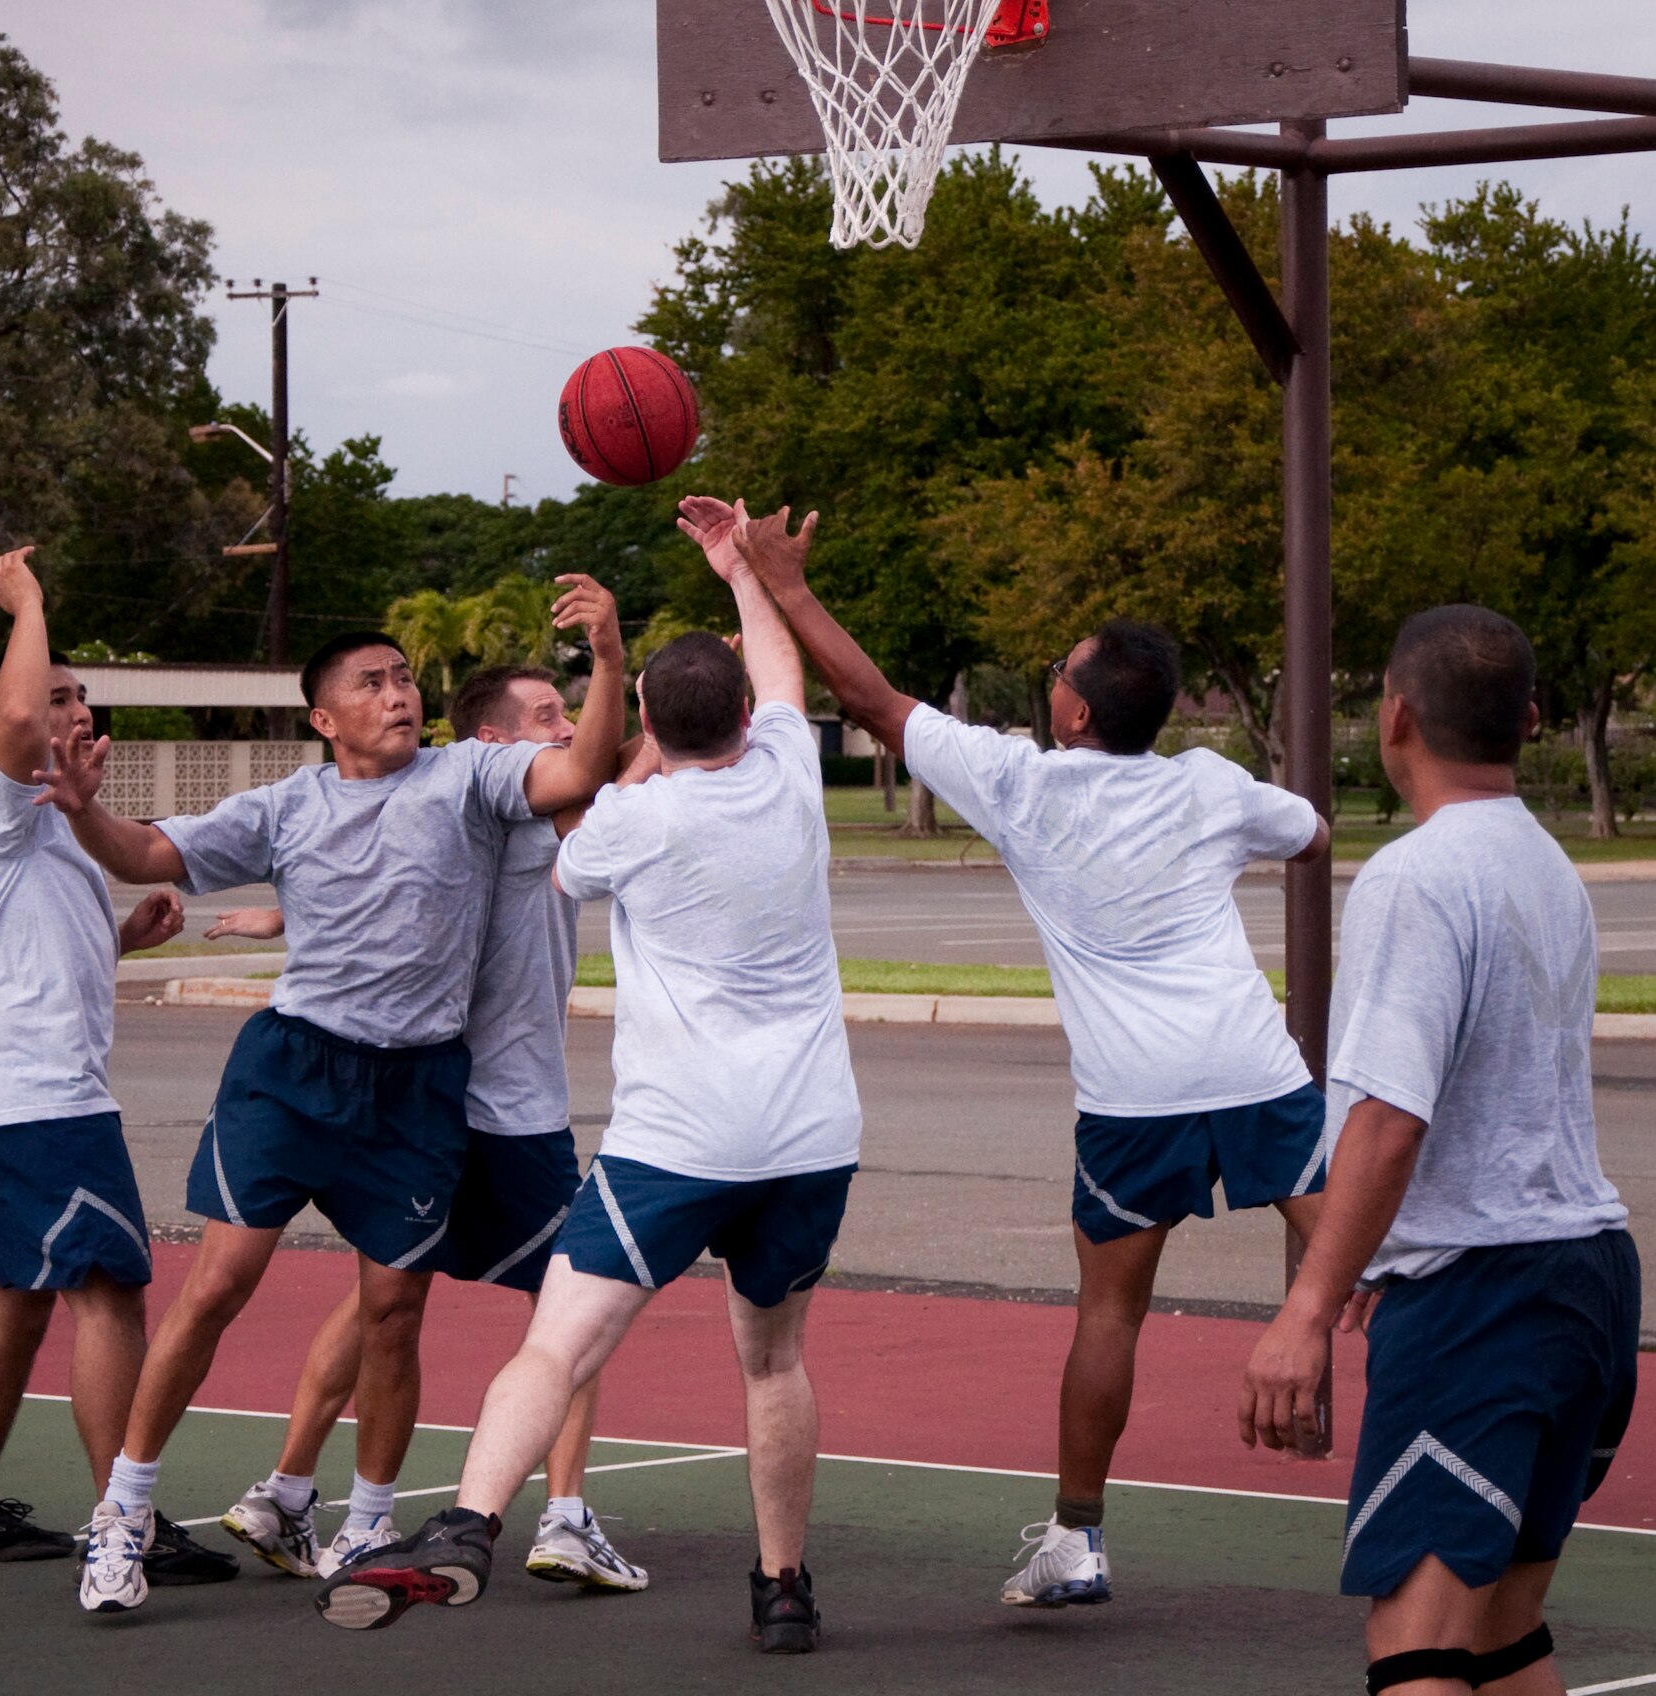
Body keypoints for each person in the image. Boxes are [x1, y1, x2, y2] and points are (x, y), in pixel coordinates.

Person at [730, 499, 1331, 1610]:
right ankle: (1476, 1450)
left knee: (1109, 1312)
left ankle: (1078, 1538)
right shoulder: (1206, 783)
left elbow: (868, 699)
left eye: (1062, 663)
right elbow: (1312, 834)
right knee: (1375, 1270)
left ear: (1071, 703)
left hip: (1133, 1097)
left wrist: (784, 583)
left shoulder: (1018, 781)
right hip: (1255, 1068)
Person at [314, 498, 861, 1655]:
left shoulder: (628, 823)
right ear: (755, 722)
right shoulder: (794, 774)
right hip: (811, 1134)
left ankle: (467, 1524)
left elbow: (571, 842)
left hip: (678, 1143)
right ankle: (783, 1587)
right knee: (774, 1358)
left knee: (556, 1343)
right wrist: (743, 572)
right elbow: (778, 669)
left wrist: (638, 730)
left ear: (652, 719)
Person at [33, 576, 628, 1614]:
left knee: (394, 1311)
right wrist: (88, 810)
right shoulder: (285, 805)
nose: (398, 693)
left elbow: (580, 763)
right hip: (295, 1070)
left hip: (416, 1087)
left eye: (404, 677)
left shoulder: (469, 778)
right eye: (372, 681)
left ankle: (364, 1523)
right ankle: (122, 1510)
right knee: (218, 1285)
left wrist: (610, 660)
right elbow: (148, 852)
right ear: (324, 715)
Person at [1241, 606, 1638, 1696]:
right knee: (1501, 1631)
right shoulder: (1545, 860)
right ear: (1530, 720)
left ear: (1397, 715)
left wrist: (1306, 1307)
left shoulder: (1416, 876)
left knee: (1415, 1645)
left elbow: (1389, 1116)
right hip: (1586, 1274)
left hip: (1486, 1293)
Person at [210, 663, 647, 1590]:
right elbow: (624, 767)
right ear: (490, 743)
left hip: (425, 1105)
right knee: (574, 1303)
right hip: (498, 1111)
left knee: (386, 1297)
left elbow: (392, 885)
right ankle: (565, 1517)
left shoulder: (464, 807)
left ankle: (285, 1489)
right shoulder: (518, 814)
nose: (566, 727)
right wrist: (682, 695)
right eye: (546, 716)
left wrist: (288, 913)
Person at [0, 546, 235, 1589]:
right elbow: (11, 723)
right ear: (5, 711)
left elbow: (20, 956)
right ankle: (124, 1520)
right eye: (58, 694)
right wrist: (30, 601)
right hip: (32, 1097)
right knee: (108, 1285)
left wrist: (124, 938)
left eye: (83, 695)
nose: (75, 708)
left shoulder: (49, 833)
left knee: (17, 1300)